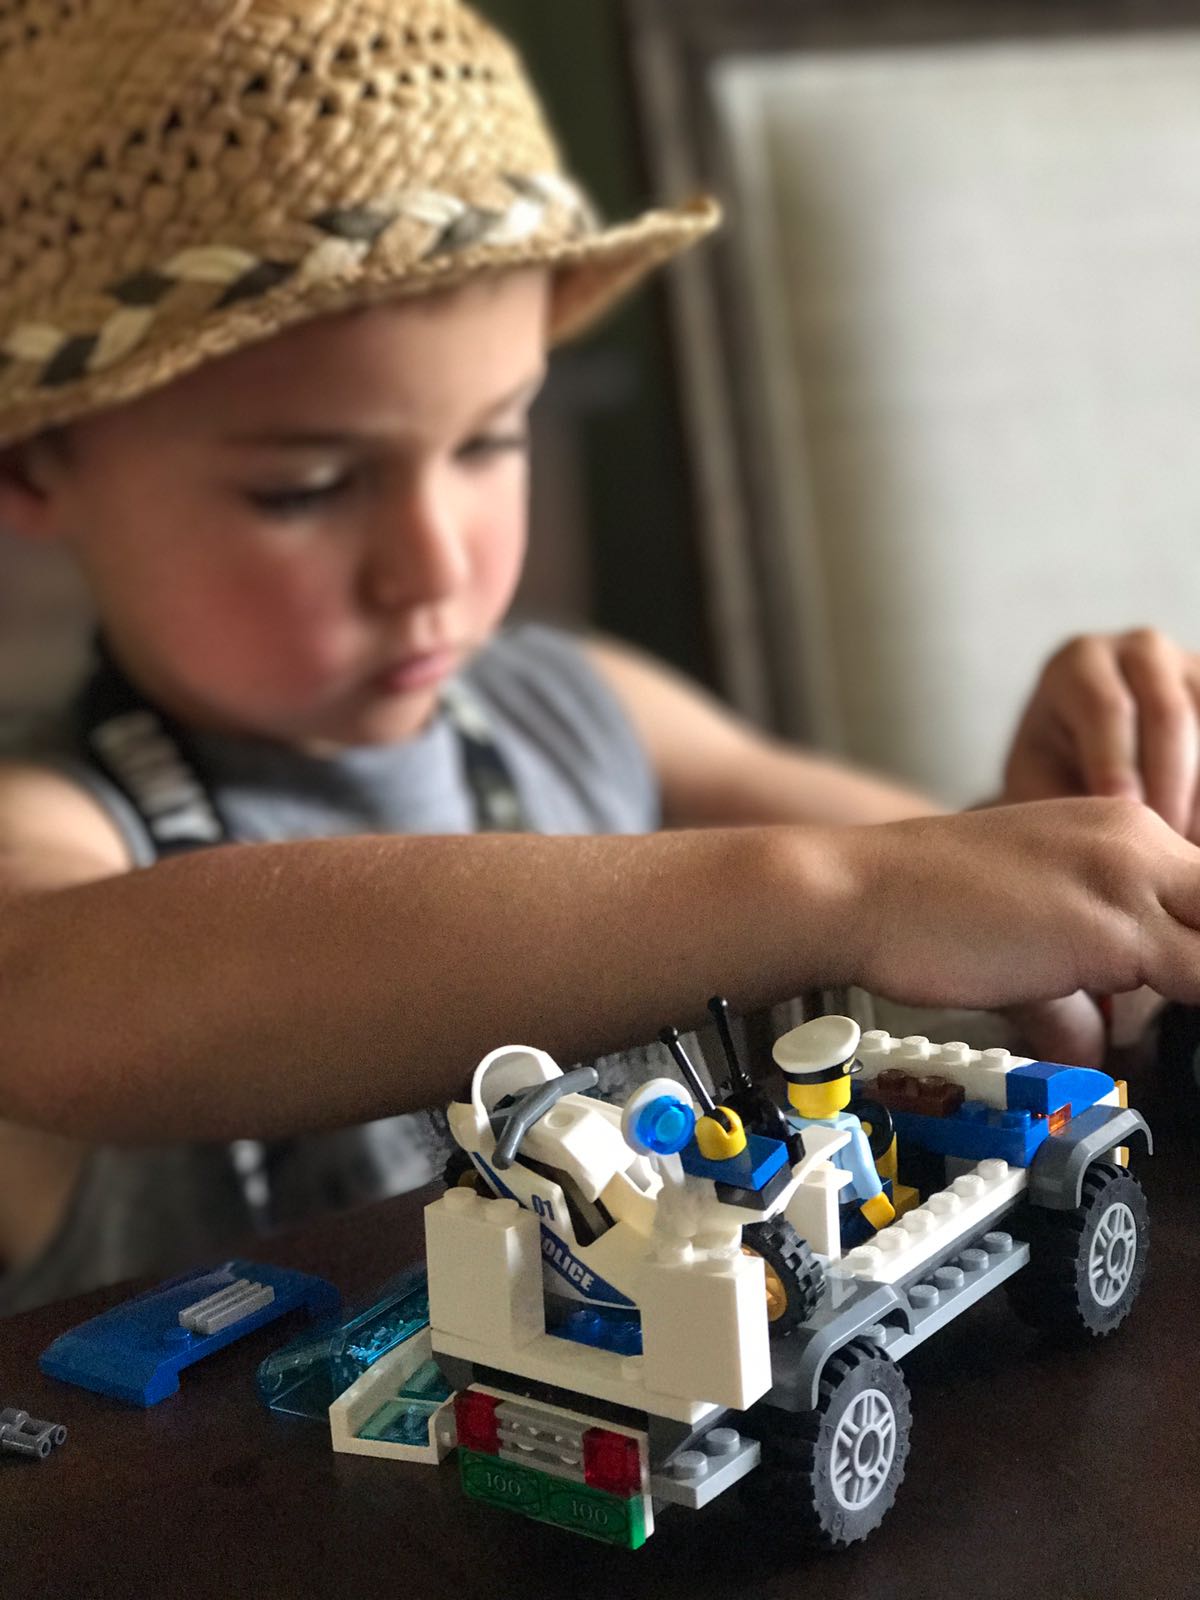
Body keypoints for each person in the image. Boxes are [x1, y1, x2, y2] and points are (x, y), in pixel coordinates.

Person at [2, 0, 1200, 1313]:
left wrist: (1063, 835)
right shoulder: (62, 844)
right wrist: (842, 884)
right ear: (33, 463)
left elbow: (925, 889)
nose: (437, 565)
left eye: (492, 442)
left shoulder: (585, 709)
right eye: (306, 488)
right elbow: (48, 997)